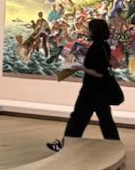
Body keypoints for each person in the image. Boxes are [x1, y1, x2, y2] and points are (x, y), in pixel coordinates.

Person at [47, 18, 121, 152]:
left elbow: (98, 73)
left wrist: (80, 67)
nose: (87, 30)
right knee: (105, 120)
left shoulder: (96, 48)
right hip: (101, 90)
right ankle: (115, 147)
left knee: (77, 119)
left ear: (94, 31)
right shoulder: (103, 45)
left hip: (91, 90)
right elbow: (111, 65)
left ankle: (66, 146)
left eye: (89, 28)